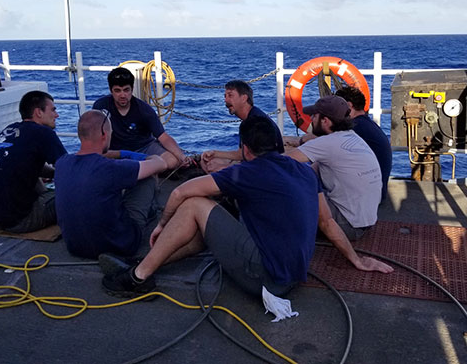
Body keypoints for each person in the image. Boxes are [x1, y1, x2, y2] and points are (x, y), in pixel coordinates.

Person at [99, 116, 391, 299]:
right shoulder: (304, 171)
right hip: (292, 275)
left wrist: (162, 224)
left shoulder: (246, 172)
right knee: (207, 224)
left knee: (195, 206)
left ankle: (137, 278)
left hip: (267, 278)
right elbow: (327, 223)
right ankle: (148, 264)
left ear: (247, 151)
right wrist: (356, 259)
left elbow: (180, 192)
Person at [54, 110, 168, 259]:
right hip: (119, 247)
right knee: (147, 177)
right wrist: (148, 156)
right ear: (104, 134)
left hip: (75, 247)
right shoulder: (111, 168)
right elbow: (161, 164)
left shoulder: (62, 163)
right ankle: (148, 214)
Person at [286, 96, 382, 242]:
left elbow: (280, 161)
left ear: (325, 121)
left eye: (314, 116)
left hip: (347, 226)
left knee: (285, 196)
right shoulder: (352, 137)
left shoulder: (327, 143)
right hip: (364, 221)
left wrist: (242, 157)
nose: (311, 119)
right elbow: (315, 168)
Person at [0, 91, 67, 233]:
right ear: (38, 112)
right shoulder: (44, 133)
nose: (56, 115)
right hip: (21, 219)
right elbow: (69, 169)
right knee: (75, 195)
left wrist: (53, 173)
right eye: (53, 110)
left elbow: (23, 164)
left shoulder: (10, 129)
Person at [92, 67, 189, 170]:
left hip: (144, 148)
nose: (123, 95)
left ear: (132, 89)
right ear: (111, 90)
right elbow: (93, 136)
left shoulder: (144, 110)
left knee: (171, 161)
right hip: (115, 151)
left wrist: (182, 157)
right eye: (117, 91)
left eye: (126, 90)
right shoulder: (100, 106)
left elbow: (163, 137)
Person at [200, 80, 284, 173]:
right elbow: (244, 154)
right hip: (266, 163)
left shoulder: (254, 123)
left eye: (230, 95)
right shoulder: (255, 116)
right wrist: (215, 153)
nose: (226, 100)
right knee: (213, 161)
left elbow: (246, 156)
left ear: (244, 98)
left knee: (212, 168)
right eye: (225, 96)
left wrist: (224, 167)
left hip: (266, 169)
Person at [335, 86, 392, 204]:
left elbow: (330, 147)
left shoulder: (356, 128)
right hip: (376, 190)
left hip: (367, 197)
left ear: (349, 106)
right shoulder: (366, 125)